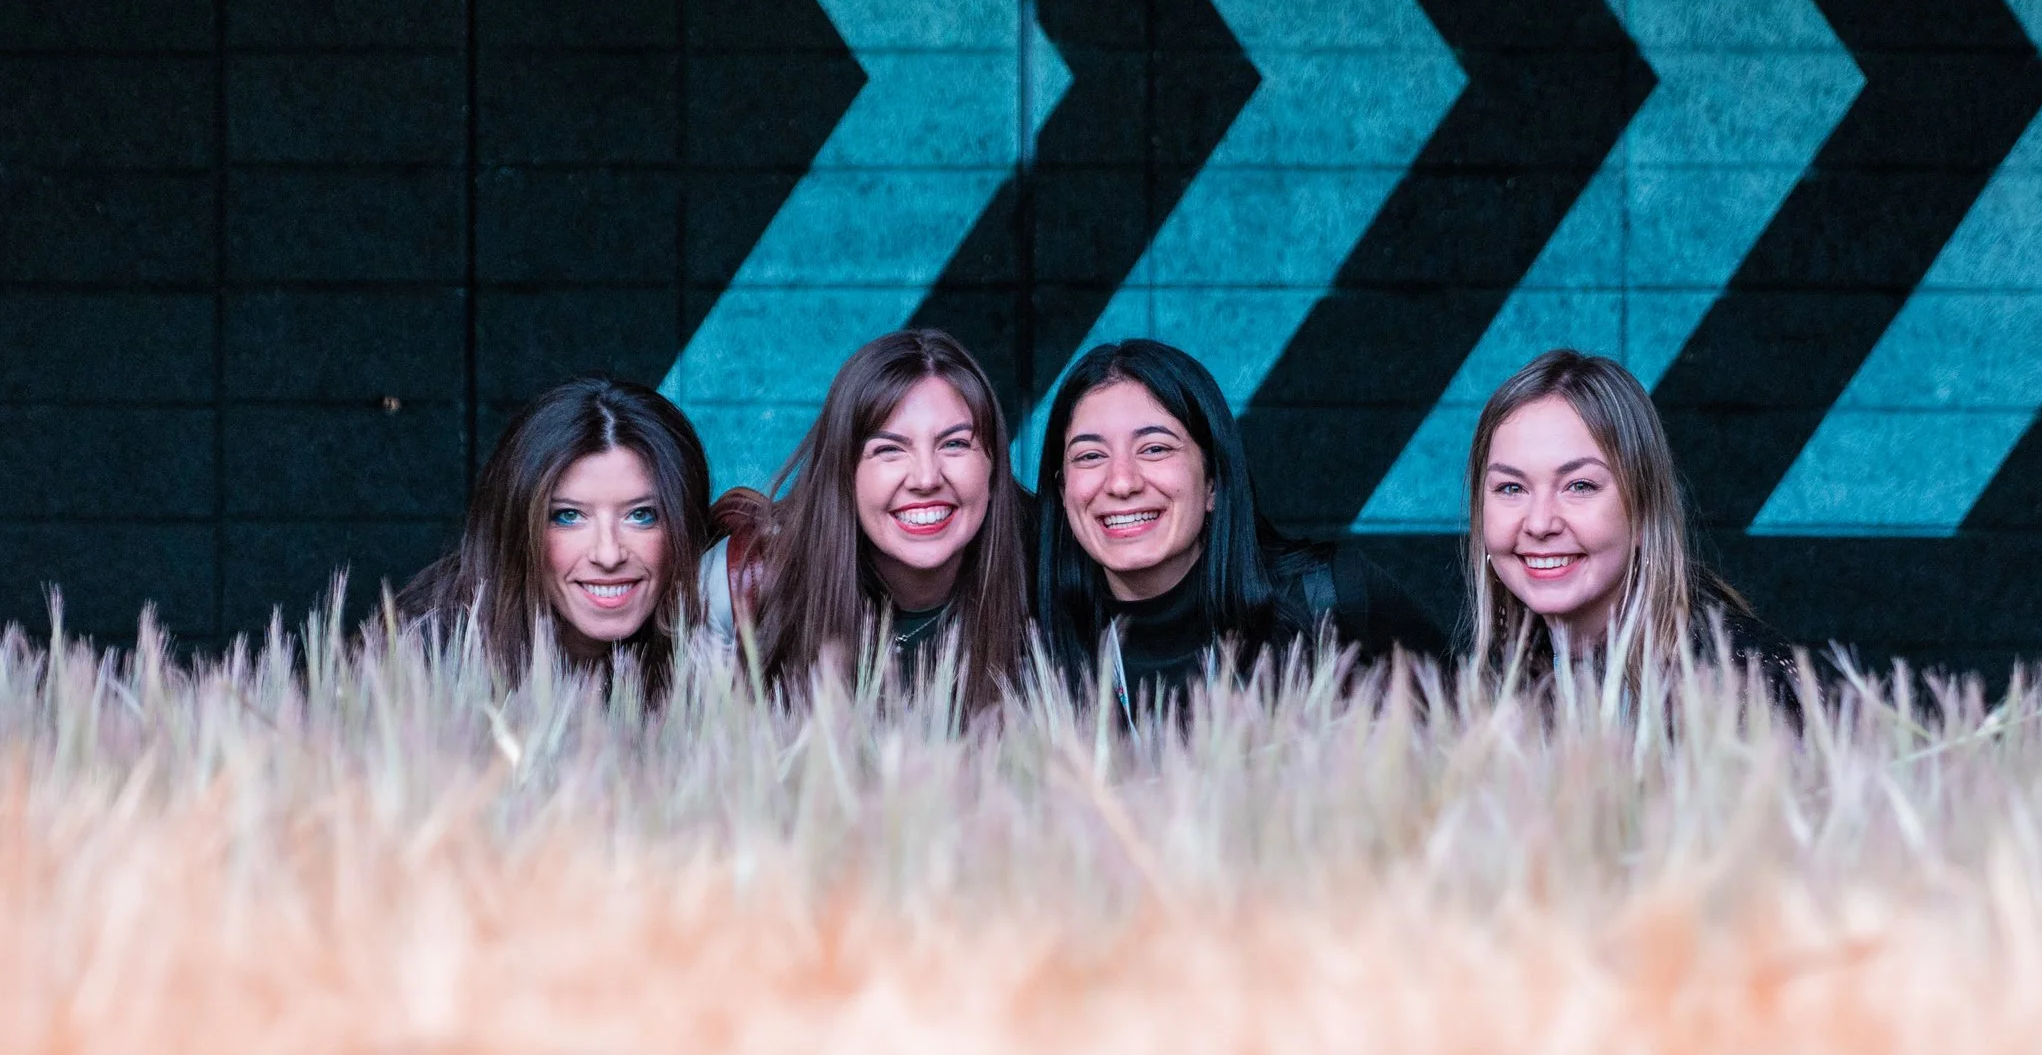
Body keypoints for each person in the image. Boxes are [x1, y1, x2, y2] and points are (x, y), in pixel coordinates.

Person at [1035, 338, 1451, 711]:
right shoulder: (1033, 646)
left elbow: (1479, 733)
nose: (1122, 481)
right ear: (1062, 489)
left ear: (1213, 481)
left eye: (1155, 448)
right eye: (1089, 456)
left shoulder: (1331, 600)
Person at [706, 328, 1027, 708]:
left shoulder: (1049, 571)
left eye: (955, 444)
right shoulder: (743, 582)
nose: (926, 478)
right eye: (889, 449)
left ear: (993, 465)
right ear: (844, 472)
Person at [1466, 348, 1796, 697]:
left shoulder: (1743, 680)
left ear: (1642, 510)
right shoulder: (1492, 680)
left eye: (1579, 486)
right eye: (1511, 487)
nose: (1539, 523)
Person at [398, 374, 708, 686]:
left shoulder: (713, 657)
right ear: (517, 526)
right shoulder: (424, 663)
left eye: (641, 515)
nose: (609, 554)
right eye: (568, 516)